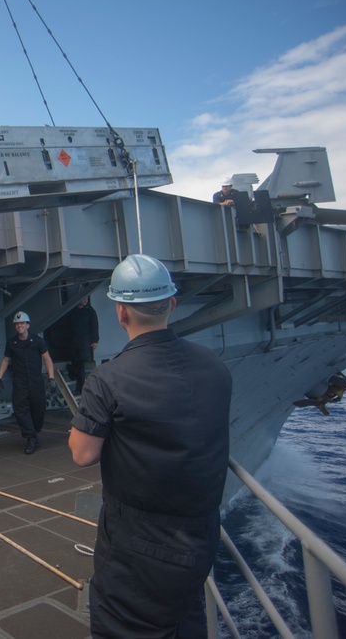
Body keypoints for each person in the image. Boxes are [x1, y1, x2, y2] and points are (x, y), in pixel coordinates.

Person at [68, 254, 232, 638]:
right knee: (184, 618)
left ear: (120, 312)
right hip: (201, 532)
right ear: (172, 304)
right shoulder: (213, 363)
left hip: (139, 544)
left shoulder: (108, 378)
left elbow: (82, 453)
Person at [0, 311, 55, 455]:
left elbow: (47, 359)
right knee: (21, 410)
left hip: (36, 381)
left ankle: (34, 432)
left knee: (39, 408)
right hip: (20, 382)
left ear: (28, 325)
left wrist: (51, 378)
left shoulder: (37, 341)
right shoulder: (12, 343)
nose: (19, 326)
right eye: (17, 324)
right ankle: (31, 437)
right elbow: (6, 360)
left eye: (22, 323)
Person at [66, 296, 100, 394]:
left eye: (86, 299)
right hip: (74, 339)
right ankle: (80, 388)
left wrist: (95, 340)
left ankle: (71, 369)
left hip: (86, 339)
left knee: (82, 357)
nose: (85, 301)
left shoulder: (90, 311)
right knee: (80, 366)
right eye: (82, 299)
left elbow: (94, 325)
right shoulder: (72, 311)